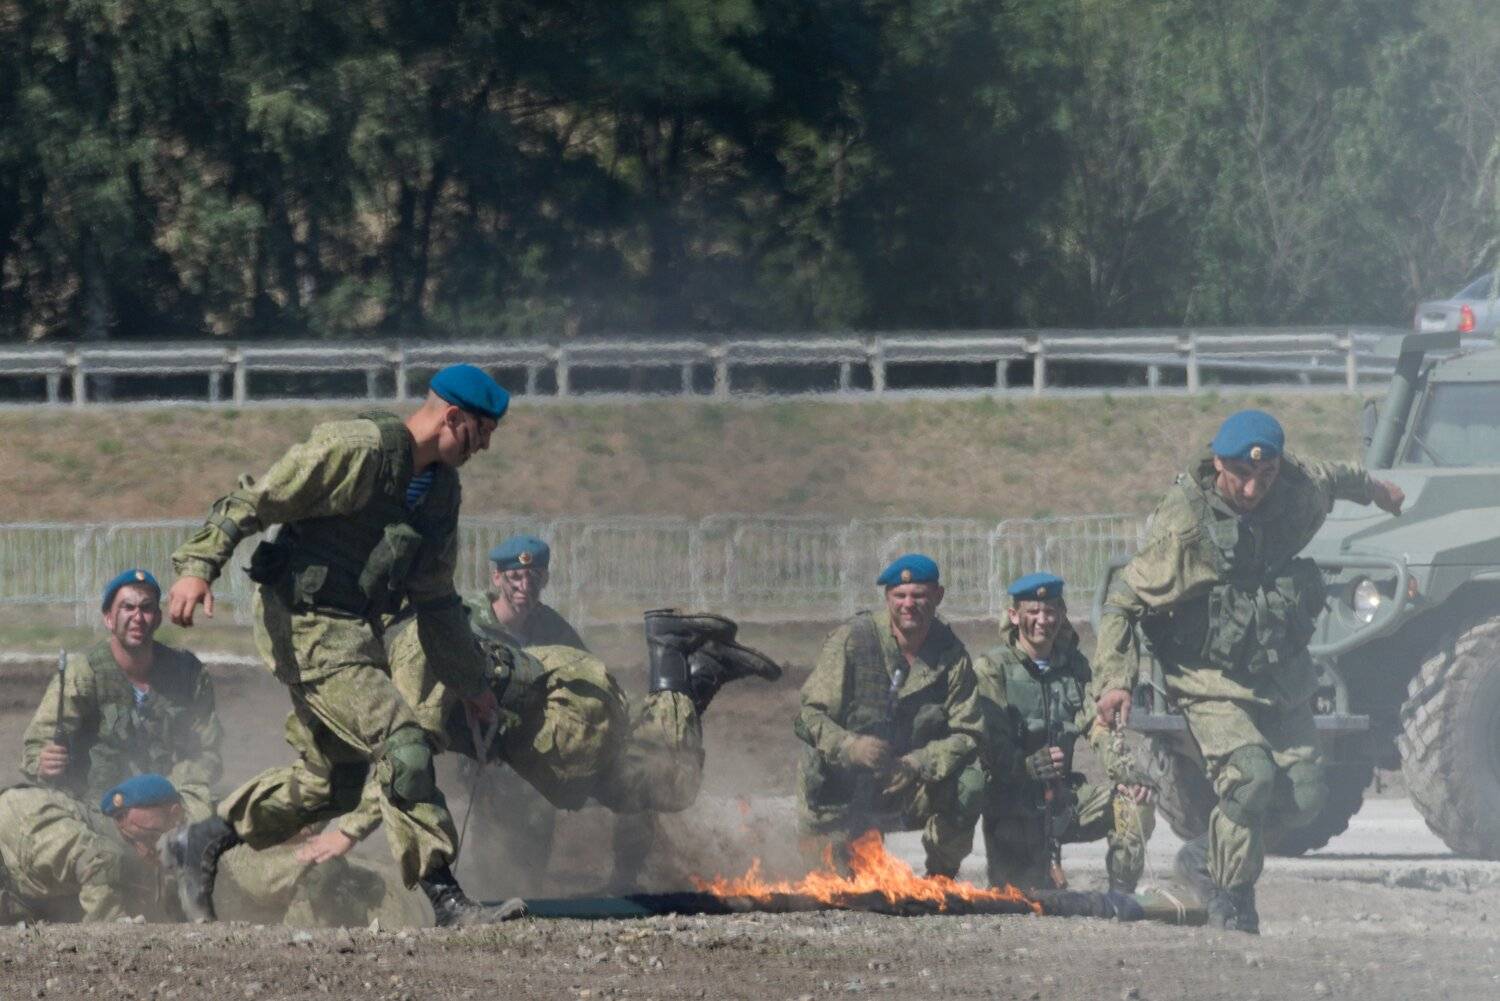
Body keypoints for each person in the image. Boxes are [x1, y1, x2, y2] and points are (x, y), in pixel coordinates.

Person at [160, 364, 518, 927]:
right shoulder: (357, 449)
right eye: (482, 431)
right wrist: (197, 567)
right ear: (452, 417)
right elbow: (255, 500)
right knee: (403, 743)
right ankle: (445, 898)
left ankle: (202, 839)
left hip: (353, 628)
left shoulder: (440, 493)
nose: (486, 447)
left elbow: (436, 601)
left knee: (334, 783)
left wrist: (472, 685)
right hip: (301, 620)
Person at [1092, 409, 1405, 932]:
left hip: (1276, 670)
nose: (1254, 488)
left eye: (1266, 474)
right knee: (1250, 777)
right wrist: (1115, 681)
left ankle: (1205, 854)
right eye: (1241, 473)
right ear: (1218, 463)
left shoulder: (1297, 488)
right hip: (1207, 675)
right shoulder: (1186, 528)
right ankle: (1231, 900)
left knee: (1305, 797)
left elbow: (1335, 476)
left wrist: (1378, 491)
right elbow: (1123, 600)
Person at [309, 608, 782, 887]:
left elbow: (406, 757)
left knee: (666, 783)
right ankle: (699, 669)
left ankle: (671, 649)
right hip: (557, 714)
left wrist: (348, 832)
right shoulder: (406, 642)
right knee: (660, 782)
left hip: (560, 720)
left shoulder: (411, 649)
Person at [794, 554, 984, 877]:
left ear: (938, 596)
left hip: (906, 785)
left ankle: (940, 878)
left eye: (919, 595)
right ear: (887, 598)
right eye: (900, 595)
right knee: (832, 887)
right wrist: (850, 746)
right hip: (840, 788)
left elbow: (968, 734)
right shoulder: (852, 641)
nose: (909, 604)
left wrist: (918, 763)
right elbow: (809, 717)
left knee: (971, 781)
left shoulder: (951, 655)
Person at [970, 572, 1153, 892]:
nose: (1043, 620)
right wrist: (1027, 765)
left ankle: (1121, 896)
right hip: (1014, 806)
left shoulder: (1075, 668)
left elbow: (1098, 726)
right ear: (1014, 616)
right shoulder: (991, 669)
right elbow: (990, 744)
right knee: (1021, 898)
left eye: (1051, 611)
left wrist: (1127, 774)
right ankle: (1043, 867)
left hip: (1064, 800)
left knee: (1134, 803)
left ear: (1062, 613)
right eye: (1033, 612)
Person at [21, 569, 222, 820]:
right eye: (128, 607)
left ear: (158, 618)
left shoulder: (187, 674)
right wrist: (43, 762)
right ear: (109, 618)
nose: (138, 617)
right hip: (95, 811)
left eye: (146, 608)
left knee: (216, 822)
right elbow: (39, 742)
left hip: (169, 808)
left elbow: (206, 750)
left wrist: (165, 797)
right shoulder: (83, 673)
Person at [0, 773, 183, 924]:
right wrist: (112, 921)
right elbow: (98, 858)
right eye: (151, 837)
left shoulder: (116, 836)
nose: (146, 849)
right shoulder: (101, 848)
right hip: (17, 821)